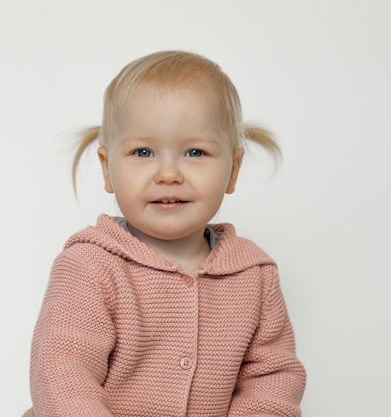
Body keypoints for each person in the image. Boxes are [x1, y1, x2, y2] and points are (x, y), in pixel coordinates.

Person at [22, 50, 306, 417]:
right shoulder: (89, 266)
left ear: (232, 171)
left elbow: (272, 381)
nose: (168, 173)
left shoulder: (253, 274)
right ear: (107, 170)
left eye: (195, 152)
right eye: (143, 152)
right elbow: (61, 376)